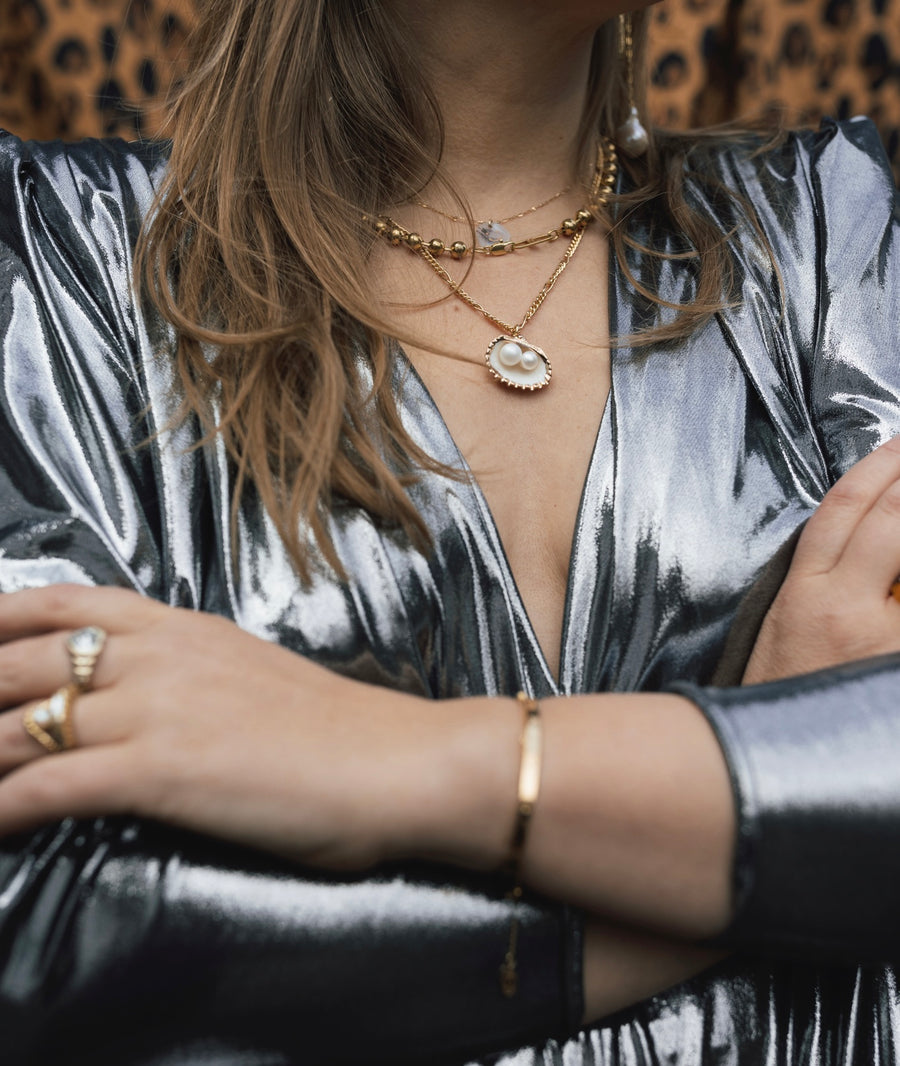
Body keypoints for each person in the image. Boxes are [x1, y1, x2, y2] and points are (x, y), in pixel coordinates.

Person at [0, 1, 898, 1063]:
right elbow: (46, 924)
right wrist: (758, 817)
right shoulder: (66, 255)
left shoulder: (825, 223)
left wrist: (386, 759)